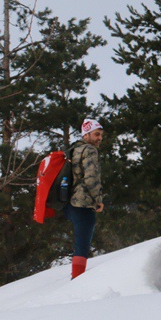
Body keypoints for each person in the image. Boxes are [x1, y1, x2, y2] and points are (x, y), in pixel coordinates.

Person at [63, 118, 105, 279]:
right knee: (82, 245)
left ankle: (77, 276)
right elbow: (91, 178)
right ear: (86, 134)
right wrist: (98, 200)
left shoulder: (74, 149)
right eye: (96, 134)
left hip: (69, 203)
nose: (99, 138)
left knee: (80, 242)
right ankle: (77, 279)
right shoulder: (89, 150)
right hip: (82, 202)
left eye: (101, 135)